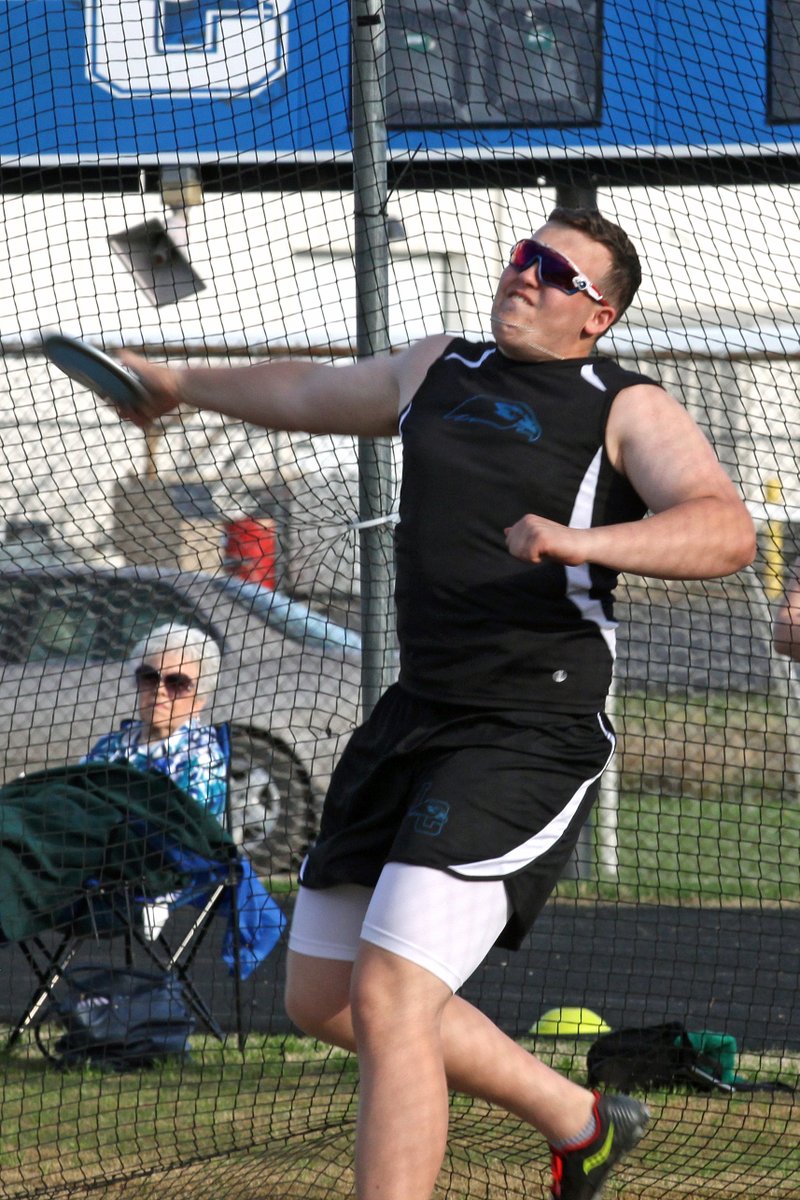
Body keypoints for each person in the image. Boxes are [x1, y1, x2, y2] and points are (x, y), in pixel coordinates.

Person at [113, 208, 756, 1200]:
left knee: (393, 993)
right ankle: (581, 1122)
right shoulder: (436, 367)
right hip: (414, 715)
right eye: (523, 256)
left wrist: (583, 542)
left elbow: (723, 530)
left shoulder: (624, 405)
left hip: (526, 730)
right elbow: (307, 390)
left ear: (597, 315)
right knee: (324, 998)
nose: (524, 274)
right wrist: (178, 385)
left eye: (554, 272)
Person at [82, 621, 227, 937]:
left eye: (177, 683)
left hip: (150, 868)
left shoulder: (201, 756)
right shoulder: (111, 745)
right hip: (84, 855)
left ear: (199, 700)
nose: (159, 689)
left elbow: (186, 832)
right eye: (149, 677)